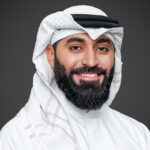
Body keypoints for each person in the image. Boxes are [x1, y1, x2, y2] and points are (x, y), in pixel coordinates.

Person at [0, 5, 150, 150]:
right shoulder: (17, 138)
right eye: (76, 48)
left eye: (102, 49)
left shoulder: (137, 135)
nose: (91, 61)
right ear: (51, 55)